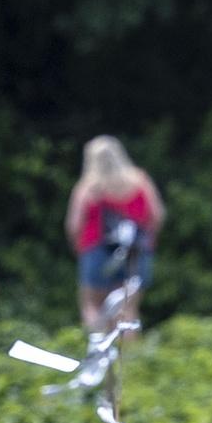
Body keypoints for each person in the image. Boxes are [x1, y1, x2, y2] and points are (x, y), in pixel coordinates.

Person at [66, 135, 162, 337]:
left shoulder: (88, 188)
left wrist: (79, 248)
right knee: (127, 310)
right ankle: (127, 362)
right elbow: (156, 215)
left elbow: (74, 225)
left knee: (93, 306)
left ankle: (98, 355)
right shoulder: (140, 181)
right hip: (134, 252)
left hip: (96, 250)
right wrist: (149, 242)